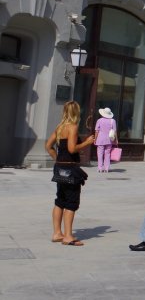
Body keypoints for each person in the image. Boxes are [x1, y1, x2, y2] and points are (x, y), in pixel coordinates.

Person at [45, 101, 96, 246]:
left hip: (59, 168)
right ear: (76, 113)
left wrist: (58, 159)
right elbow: (72, 149)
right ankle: (68, 236)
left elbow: (48, 146)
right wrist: (87, 142)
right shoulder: (72, 127)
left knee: (60, 200)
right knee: (71, 202)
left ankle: (57, 233)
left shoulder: (59, 128)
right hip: (70, 170)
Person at [94, 107, 118, 173]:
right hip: (109, 140)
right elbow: (115, 131)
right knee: (107, 154)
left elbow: (97, 131)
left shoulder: (99, 120)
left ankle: (100, 168)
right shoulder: (113, 121)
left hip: (100, 139)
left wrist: (95, 139)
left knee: (100, 154)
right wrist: (116, 140)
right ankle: (106, 168)